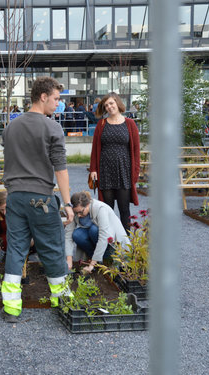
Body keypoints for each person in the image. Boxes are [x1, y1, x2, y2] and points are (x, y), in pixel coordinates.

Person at [1, 76, 74, 323]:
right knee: (52, 247)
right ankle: (61, 300)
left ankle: (11, 308)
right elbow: (60, 169)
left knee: (16, 248)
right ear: (43, 97)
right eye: (55, 99)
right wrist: (67, 203)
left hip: (14, 198)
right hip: (40, 199)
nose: (58, 104)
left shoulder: (10, 127)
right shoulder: (52, 127)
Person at [90, 92, 141, 232]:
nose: (109, 107)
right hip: (105, 171)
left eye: (111, 103)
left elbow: (136, 151)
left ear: (117, 103)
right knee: (106, 210)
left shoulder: (130, 124)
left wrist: (135, 173)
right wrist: (93, 169)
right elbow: (95, 149)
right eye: (106, 105)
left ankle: (126, 245)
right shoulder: (101, 124)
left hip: (124, 171)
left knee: (124, 209)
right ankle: (109, 242)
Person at [65, 191, 130, 273]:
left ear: (88, 204)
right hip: (95, 237)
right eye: (76, 212)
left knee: (94, 230)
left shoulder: (100, 208)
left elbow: (104, 236)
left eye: (81, 212)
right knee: (77, 234)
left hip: (110, 241)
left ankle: (106, 258)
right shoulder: (76, 210)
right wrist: (69, 260)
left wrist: (91, 265)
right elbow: (68, 234)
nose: (78, 215)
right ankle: (96, 259)